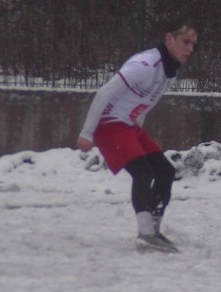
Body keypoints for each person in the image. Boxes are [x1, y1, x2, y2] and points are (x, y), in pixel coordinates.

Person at [77, 17, 198, 253]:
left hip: (128, 126)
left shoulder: (169, 70)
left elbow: (144, 102)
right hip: (109, 125)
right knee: (143, 171)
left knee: (165, 171)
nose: (190, 49)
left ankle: (154, 230)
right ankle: (145, 234)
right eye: (186, 42)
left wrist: (137, 127)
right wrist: (86, 133)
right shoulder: (144, 65)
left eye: (194, 44)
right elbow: (104, 93)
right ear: (168, 38)